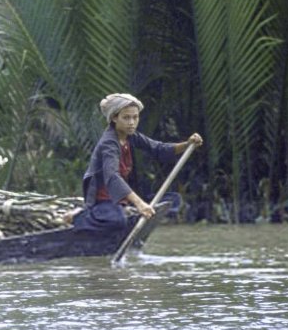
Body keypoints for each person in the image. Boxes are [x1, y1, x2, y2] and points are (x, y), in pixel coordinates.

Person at [72, 93, 203, 234]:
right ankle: (79, 217)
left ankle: (129, 216)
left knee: (173, 200)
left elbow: (159, 148)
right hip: (104, 199)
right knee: (117, 220)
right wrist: (139, 204)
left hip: (123, 199)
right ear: (114, 118)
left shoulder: (131, 136)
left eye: (135, 117)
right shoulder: (109, 143)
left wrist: (187, 144)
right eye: (126, 118)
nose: (132, 122)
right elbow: (113, 177)